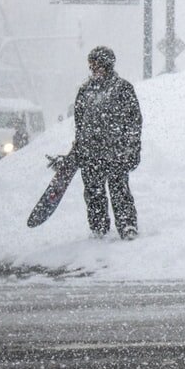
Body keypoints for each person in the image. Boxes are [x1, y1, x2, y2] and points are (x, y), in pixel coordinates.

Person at [67, 46, 142, 240]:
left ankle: (127, 227)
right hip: (91, 153)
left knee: (120, 191)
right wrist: (80, 146)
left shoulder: (122, 88)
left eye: (97, 64)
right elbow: (80, 122)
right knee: (93, 193)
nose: (93, 68)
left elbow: (134, 121)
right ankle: (98, 228)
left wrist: (132, 149)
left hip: (116, 153)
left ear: (107, 65)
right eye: (91, 65)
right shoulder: (85, 91)